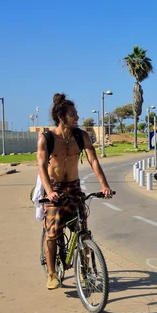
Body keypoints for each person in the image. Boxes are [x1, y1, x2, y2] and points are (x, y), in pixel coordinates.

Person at [37, 93, 113, 290]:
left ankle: (85, 269)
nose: (77, 117)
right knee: (52, 233)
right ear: (61, 117)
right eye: (73, 114)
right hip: (54, 187)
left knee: (83, 232)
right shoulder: (47, 138)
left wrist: (104, 186)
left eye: (76, 113)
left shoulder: (81, 136)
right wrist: (49, 191)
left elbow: (93, 160)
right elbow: (41, 166)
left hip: (74, 187)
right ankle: (52, 273)